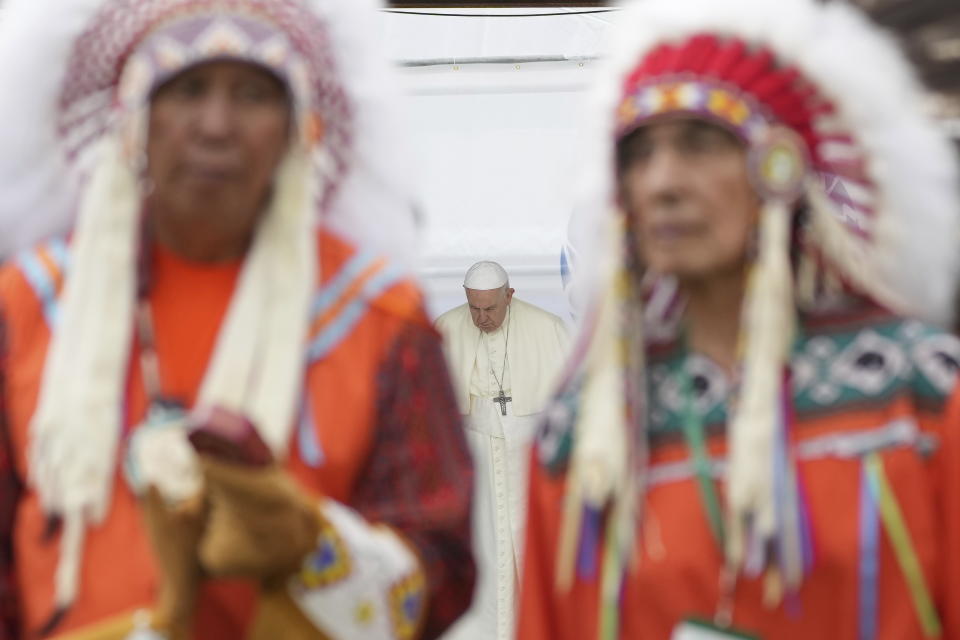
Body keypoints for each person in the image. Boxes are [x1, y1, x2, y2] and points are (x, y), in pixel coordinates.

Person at [0, 0, 475, 638]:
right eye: (186, 89)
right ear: (133, 120)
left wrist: (316, 548)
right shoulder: (25, 309)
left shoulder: (380, 321)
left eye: (253, 95)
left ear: (296, 128)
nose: (216, 126)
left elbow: (443, 566)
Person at [519, 0, 960, 639]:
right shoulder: (587, 435)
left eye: (701, 144)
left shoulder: (914, 398)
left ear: (780, 168)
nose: (662, 183)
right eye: (638, 155)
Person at [434, 261, 568, 640]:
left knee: (532, 552)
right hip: (477, 461)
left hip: (527, 461)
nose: (482, 317)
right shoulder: (445, 329)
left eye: (490, 308)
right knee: (487, 557)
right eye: (474, 308)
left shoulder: (548, 328)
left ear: (510, 295)